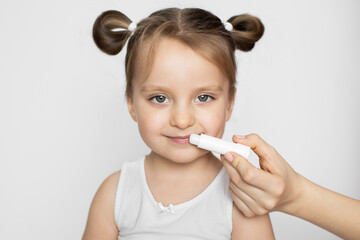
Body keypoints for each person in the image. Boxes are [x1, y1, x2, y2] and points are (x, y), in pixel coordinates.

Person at [82, 7, 275, 240]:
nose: (182, 120)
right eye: (160, 98)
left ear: (229, 103)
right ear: (132, 104)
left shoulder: (242, 197)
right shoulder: (115, 194)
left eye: (203, 97)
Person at [221, 133, 360, 240]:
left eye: (204, 98)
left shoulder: (239, 199)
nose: (197, 120)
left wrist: (295, 196)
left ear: (229, 105)